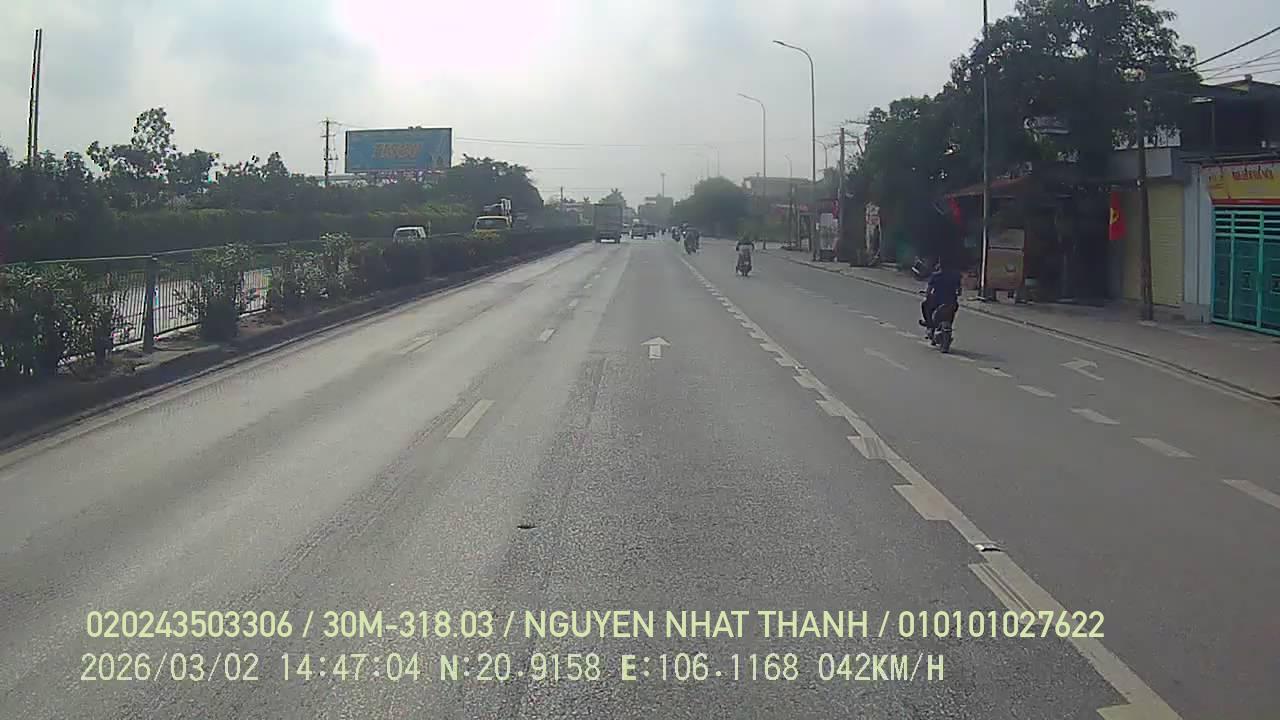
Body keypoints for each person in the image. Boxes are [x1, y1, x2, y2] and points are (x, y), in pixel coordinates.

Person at [920, 258, 962, 331]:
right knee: (953, 309)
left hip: (937, 301)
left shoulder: (935, 276)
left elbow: (929, 290)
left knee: (924, 304)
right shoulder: (956, 276)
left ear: (940, 265)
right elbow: (959, 291)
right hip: (951, 302)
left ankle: (929, 324)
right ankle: (949, 324)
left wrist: (927, 295)